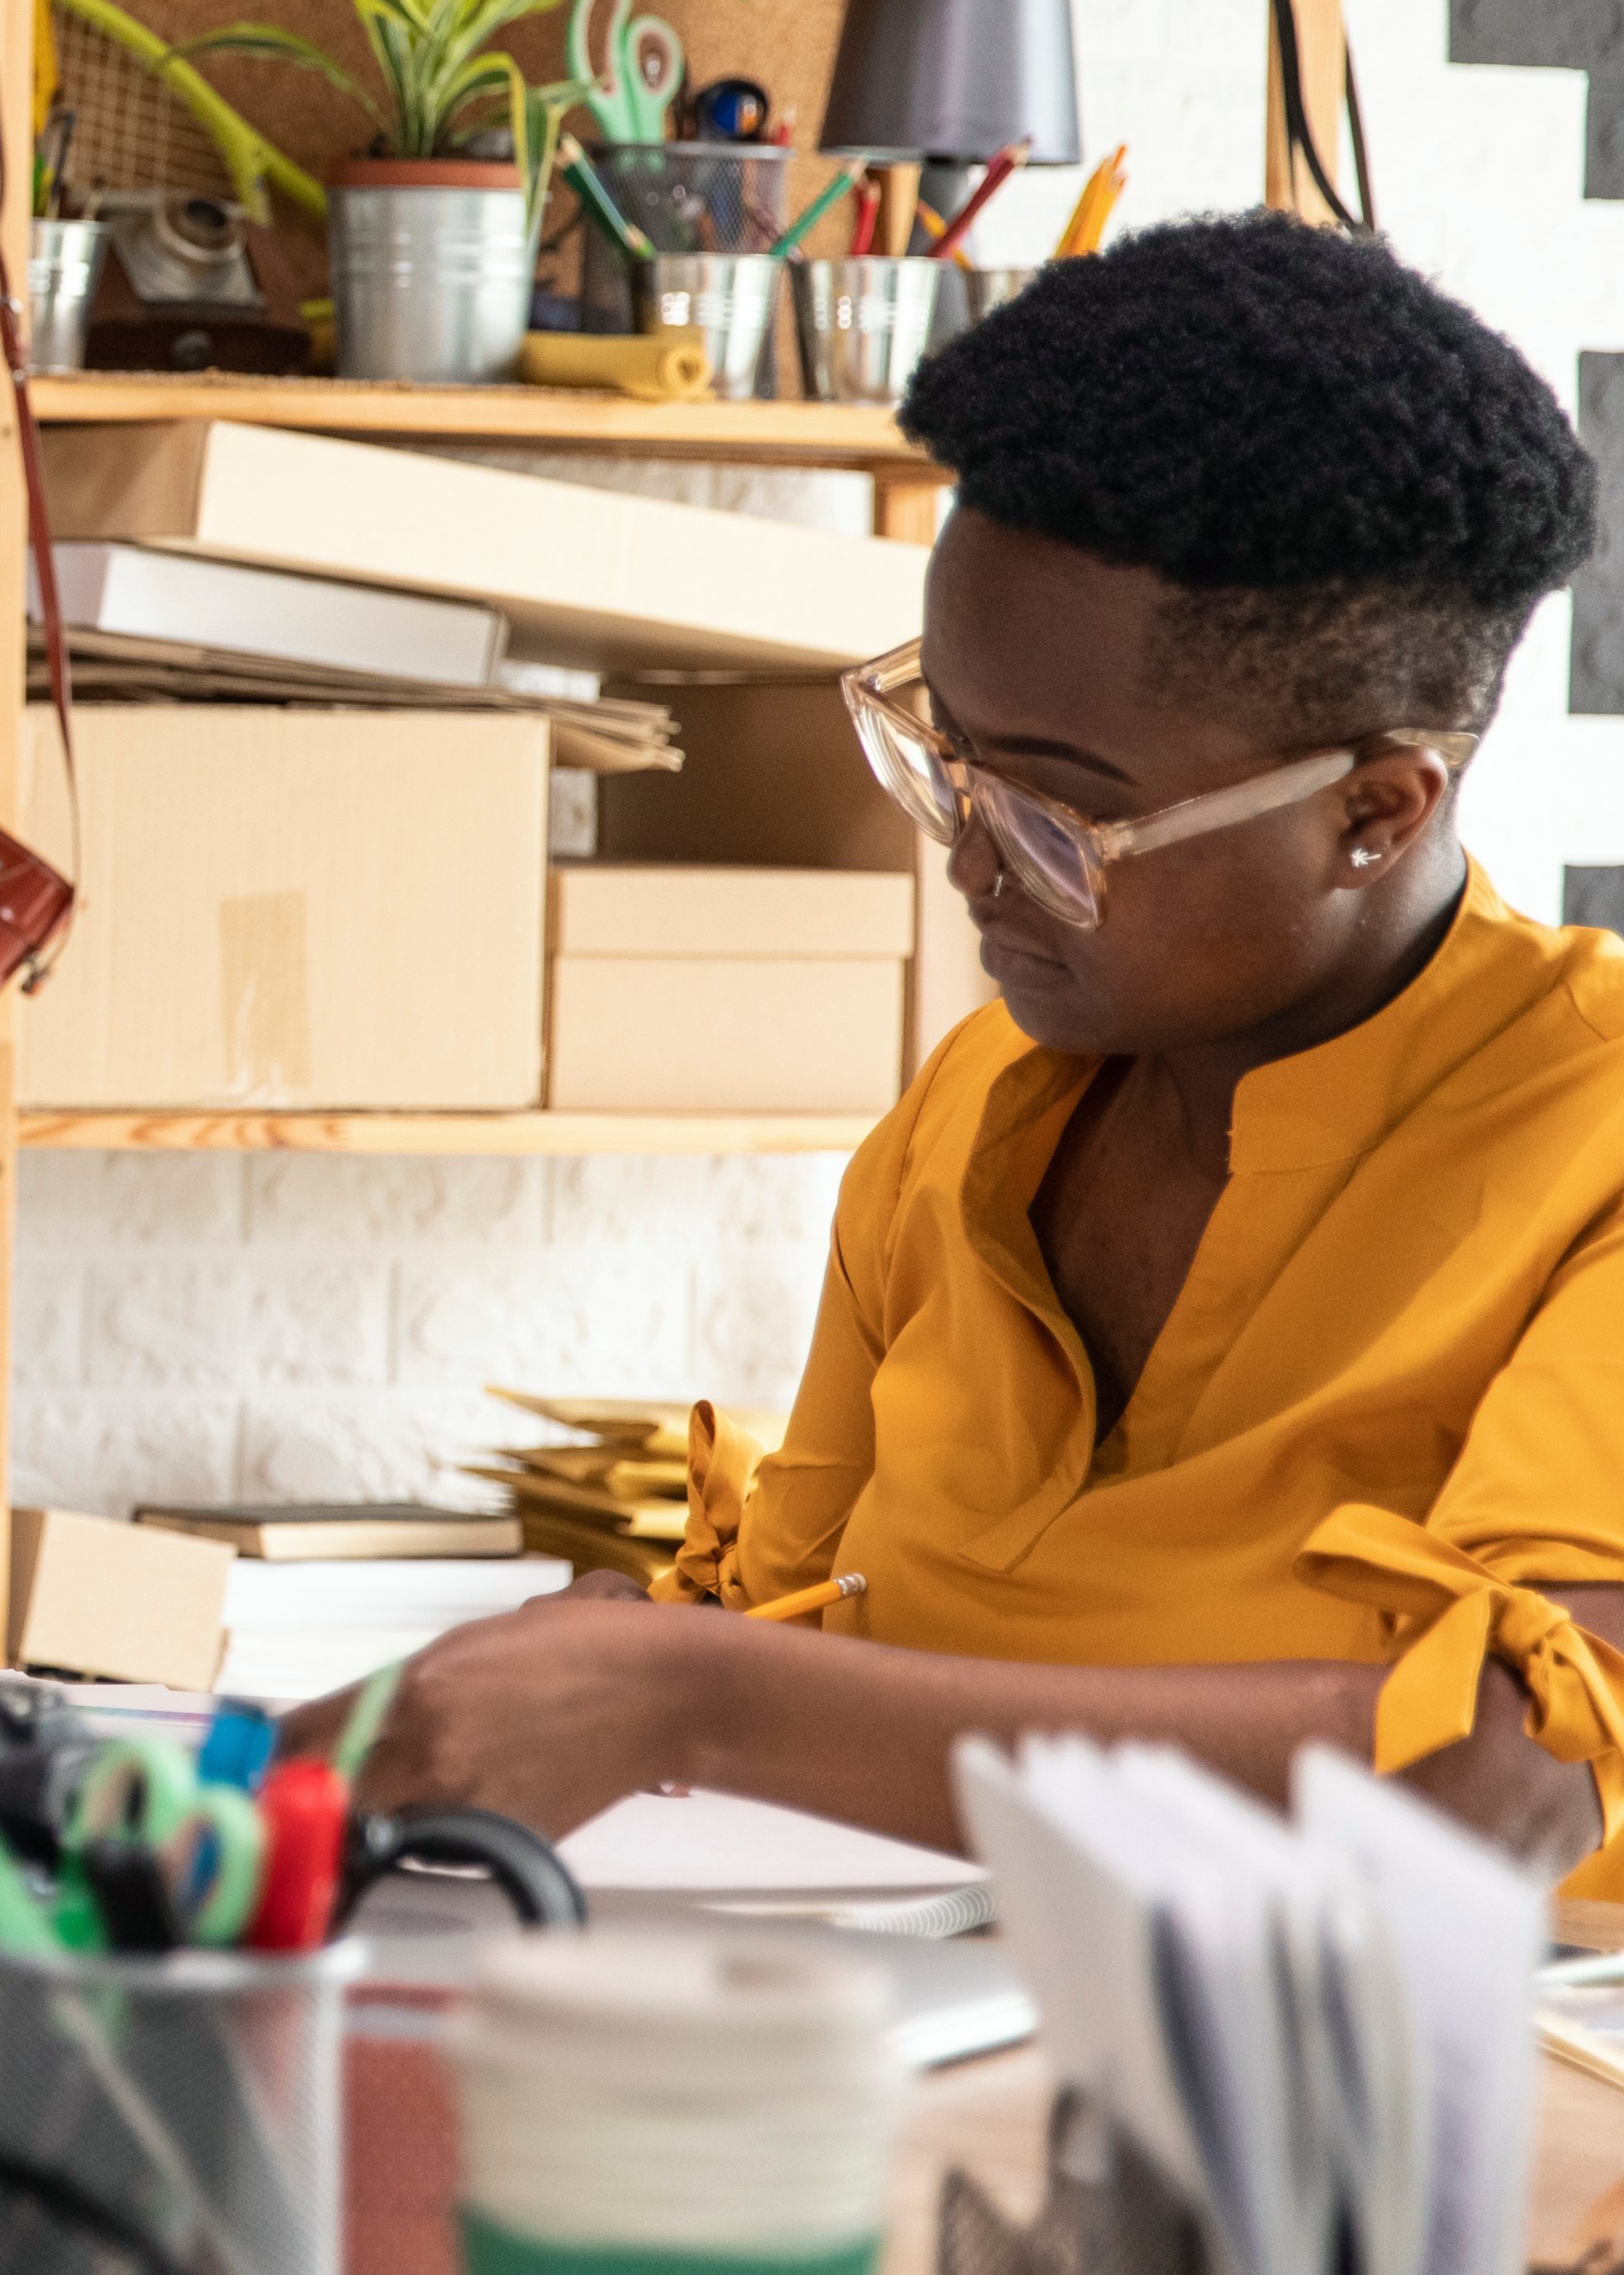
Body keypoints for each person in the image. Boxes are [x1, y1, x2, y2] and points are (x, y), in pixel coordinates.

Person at [365, 217, 1624, 1889]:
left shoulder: (1594, 1145)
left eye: (1055, 809)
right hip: (928, 2023)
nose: (968, 857)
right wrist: (620, 1664)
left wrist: (693, 1696)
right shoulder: (971, 1115)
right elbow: (789, 1629)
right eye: (944, 752)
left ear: (1374, 810)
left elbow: (1497, 1782)